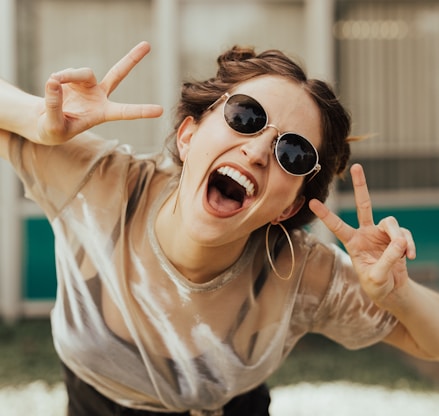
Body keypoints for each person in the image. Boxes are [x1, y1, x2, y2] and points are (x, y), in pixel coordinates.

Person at [0, 41, 438, 416]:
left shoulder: (299, 271)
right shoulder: (99, 182)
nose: (258, 152)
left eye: (294, 153)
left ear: (289, 207)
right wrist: (36, 119)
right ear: (189, 136)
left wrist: (397, 294)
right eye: (246, 117)